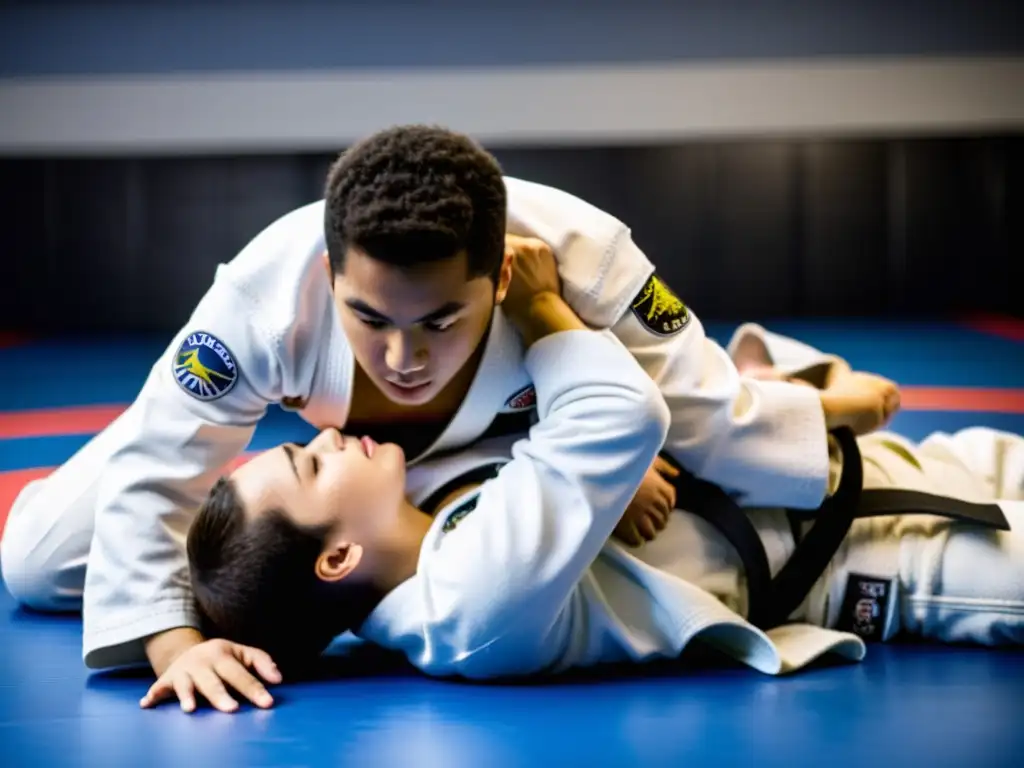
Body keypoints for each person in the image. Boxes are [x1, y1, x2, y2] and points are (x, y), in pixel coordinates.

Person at [0, 125, 893, 703]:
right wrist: (169, 641)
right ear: (332, 275)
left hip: (457, 446)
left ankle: (800, 385)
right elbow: (164, 463)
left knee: (719, 431)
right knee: (35, 565)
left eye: (441, 321)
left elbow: (703, 416)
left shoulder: (581, 258)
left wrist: (628, 463)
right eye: (369, 319)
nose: (401, 357)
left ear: (497, 279)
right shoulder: (265, 300)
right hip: (375, 463)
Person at [170, 322, 1022, 714]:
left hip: (892, 468)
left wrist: (187, 633)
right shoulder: (465, 607)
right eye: (310, 465)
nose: (325, 436)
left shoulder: (428, 510)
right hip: (888, 561)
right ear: (336, 558)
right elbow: (619, 416)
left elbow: (578, 447)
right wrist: (544, 306)